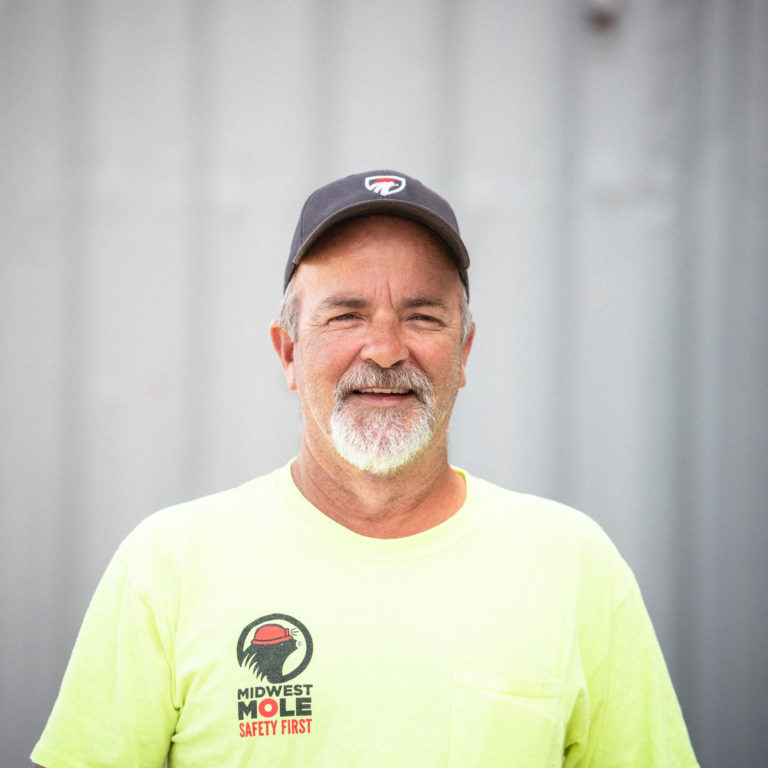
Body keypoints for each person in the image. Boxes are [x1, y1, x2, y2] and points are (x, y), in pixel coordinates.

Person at [32, 170, 699, 767]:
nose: (384, 350)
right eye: (346, 315)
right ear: (288, 352)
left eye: (423, 316)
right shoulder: (169, 565)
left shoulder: (573, 565)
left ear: (464, 351)